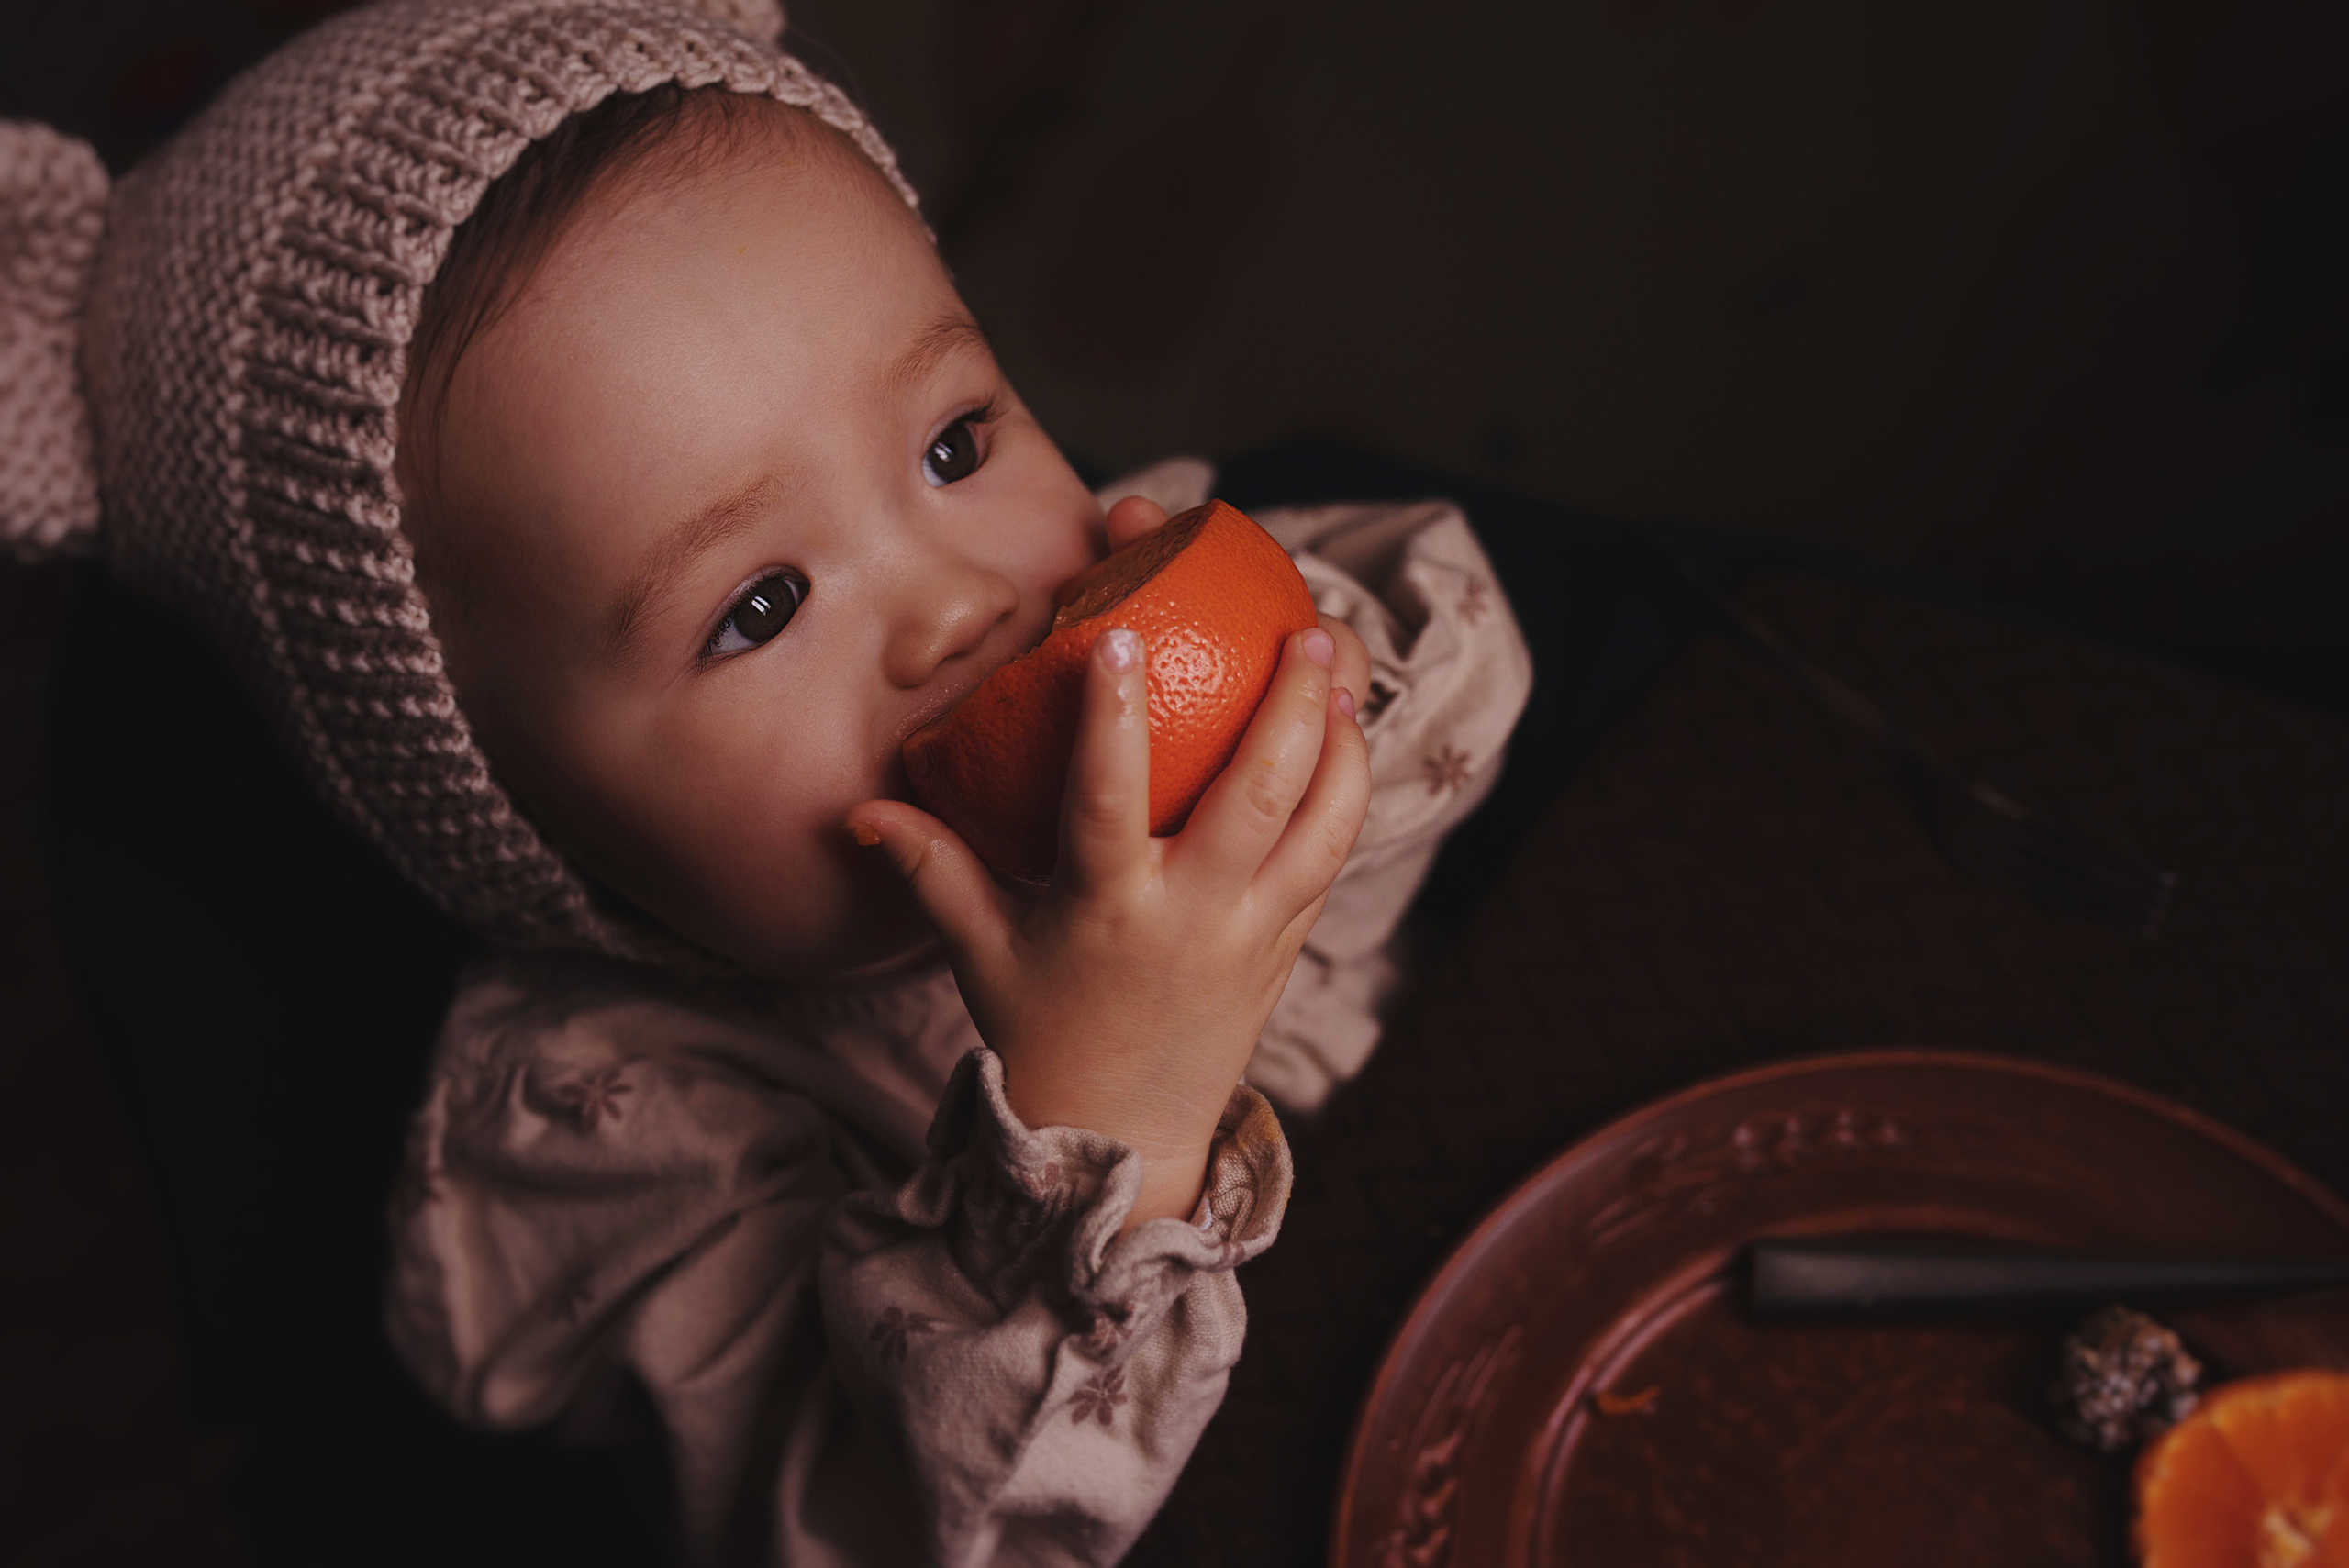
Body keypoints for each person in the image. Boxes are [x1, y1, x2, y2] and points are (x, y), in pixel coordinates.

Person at [0, 1, 1530, 1561]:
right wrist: (1104, 1118)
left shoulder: (1142, 571)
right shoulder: (602, 1141)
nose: (956, 603)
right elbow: (903, 1533)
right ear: (511, 814)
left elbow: (1481, 651)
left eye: (952, 446)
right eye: (759, 607)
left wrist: (1286, 723)